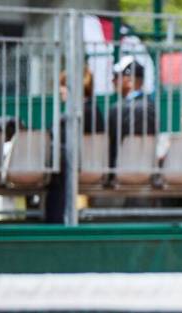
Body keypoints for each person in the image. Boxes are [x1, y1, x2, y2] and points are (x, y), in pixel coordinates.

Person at [46, 67, 105, 223]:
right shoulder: (93, 110)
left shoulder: (79, 114)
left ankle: (54, 221)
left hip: (75, 169)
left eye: (64, 85)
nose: (60, 90)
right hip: (87, 167)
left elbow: (56, 140)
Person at [107, 56, 156, 170]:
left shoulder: (116, 109)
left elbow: (112, 147)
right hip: (147, 170)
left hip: (121, 171)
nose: (113, 81)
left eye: (116, 76)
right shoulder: (152, 107)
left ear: (130, 81)